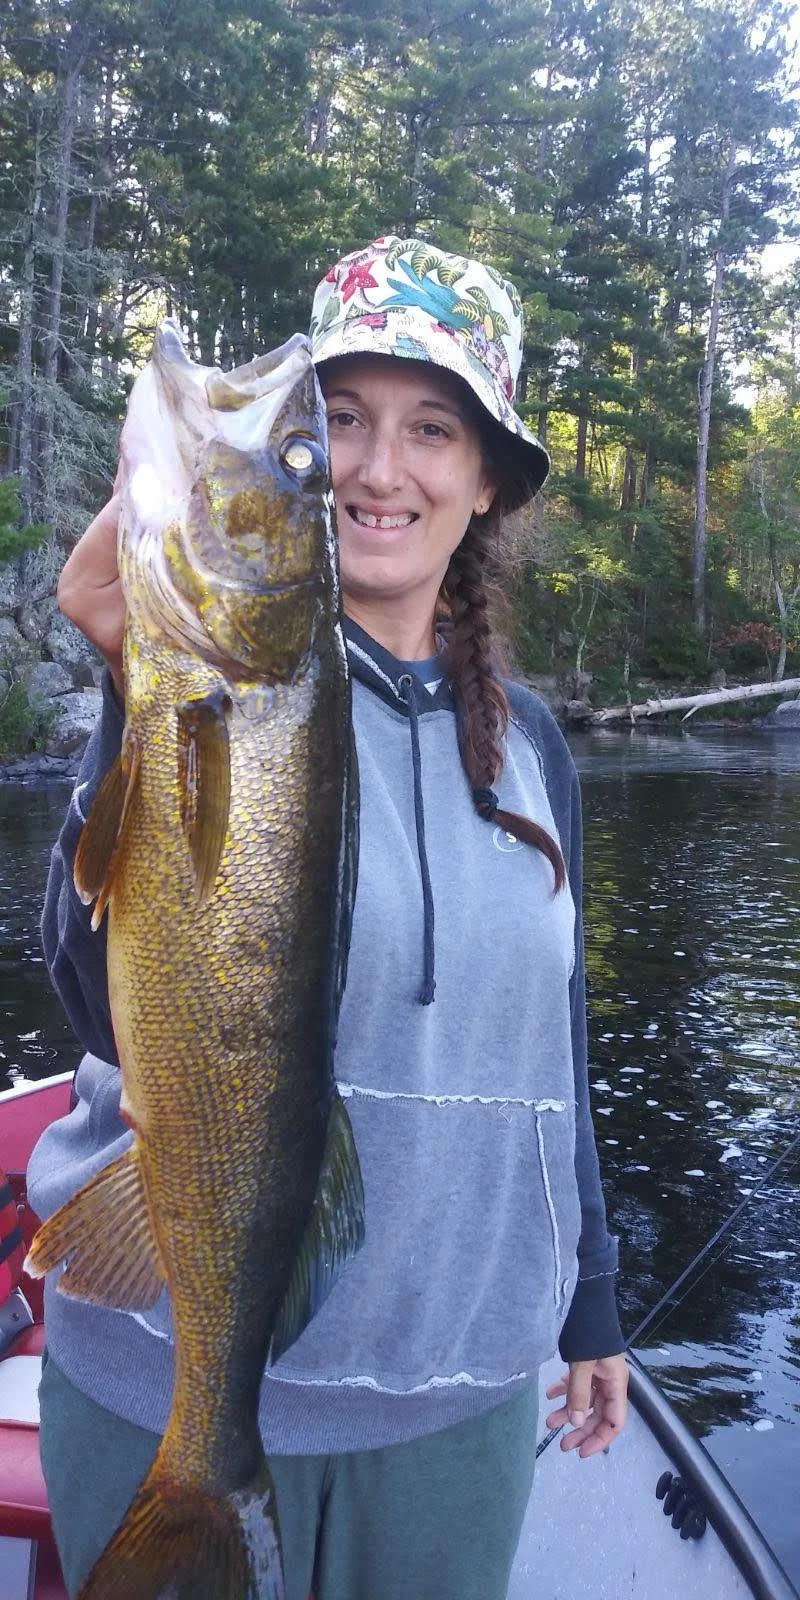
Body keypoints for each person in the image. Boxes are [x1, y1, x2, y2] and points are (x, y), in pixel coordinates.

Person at [28, 234, 629, 1600]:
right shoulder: (200, 686)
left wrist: (592, 1298)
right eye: (335, 426)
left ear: (484, 484)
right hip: (151, 1382)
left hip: (454, 1402)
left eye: (431, 430)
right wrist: (133, 691)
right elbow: (84, 985)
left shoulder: (533, 749)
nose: (373, 468)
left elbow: (557, 1043)